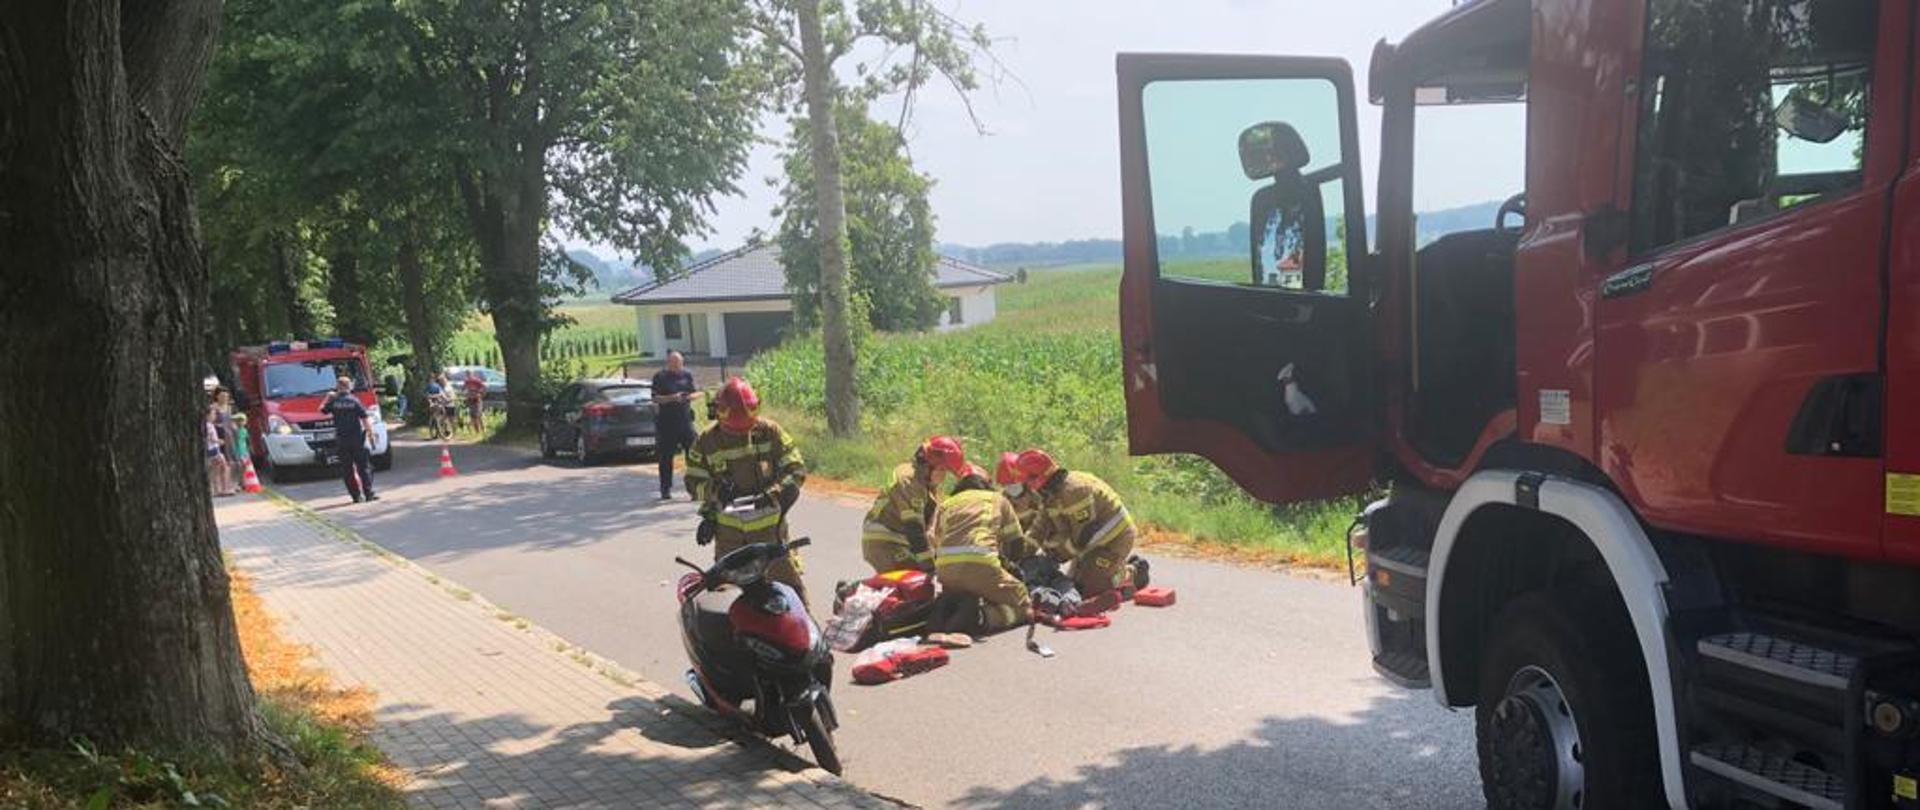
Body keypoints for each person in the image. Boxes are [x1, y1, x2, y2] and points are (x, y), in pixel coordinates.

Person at [685, 377, 809, 604]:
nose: (741, 436)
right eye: (733, 432)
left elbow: (796, 470)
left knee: (791, 598)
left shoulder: (770, 432)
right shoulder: (706, 442)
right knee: (727, 603)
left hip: (770, 537)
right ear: (719, 414)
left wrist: (773, 493)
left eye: (746, 429)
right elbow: (693, 482)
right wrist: (715, 495)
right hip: (729, 540)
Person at [1009, 449, 1149, 598]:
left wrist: (1052, 557)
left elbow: (1082, 537)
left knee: (1090, 589)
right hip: (1091, 544)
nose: (1027, 489)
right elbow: (1038, 530)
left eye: (1027, 482)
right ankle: (1109, 567)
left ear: (1036, 478)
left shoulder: (1075, 491)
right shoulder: (1049, 494)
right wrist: (1017, 557)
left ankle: (1132, 572)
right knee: (1072, 583)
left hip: (1115, 539)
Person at [924, 468, 1031, 644]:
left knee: (966, 591)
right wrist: (1009, 569)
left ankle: (943, 611)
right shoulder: (997, 499)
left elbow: (933, 539)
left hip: (946, 570)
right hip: (981, 564)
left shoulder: (947, 504)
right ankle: (978, 618)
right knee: (1023, 606)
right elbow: (1016, 543)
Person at [860, 436, 968, 573]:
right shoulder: (910, 479)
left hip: (899, 539)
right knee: (917, 579)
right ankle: (854, 591)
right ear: (929, 464)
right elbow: (914, 528)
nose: (944, 476)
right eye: (942, 470)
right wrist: (929, 564)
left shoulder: (925, 485)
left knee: (915, 582)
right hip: (886, 539)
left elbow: (931, 528)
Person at [650, 351, 703, 500]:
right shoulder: (660, 377)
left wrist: (689, 397)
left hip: (685, 422)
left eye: (680, 363)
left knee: (693, 456)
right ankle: (665, 489)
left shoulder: (687, 375)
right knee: (666, 458)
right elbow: (655, 398)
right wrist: (672, 398)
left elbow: (698, 393)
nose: (678, 366)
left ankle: (694, 489)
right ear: (669, 363)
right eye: (674, 364)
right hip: (666, 424)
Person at [322, 376, 379, 503]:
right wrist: (370, 433)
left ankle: (356, 496)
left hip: (342, 440)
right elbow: (364, 418)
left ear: (338, 386)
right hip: (357, 439)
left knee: (347, 470)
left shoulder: (334, 402)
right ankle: (368, 493)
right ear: (349, 387)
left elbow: (322, 410)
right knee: (363, 467)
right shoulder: (354, 401)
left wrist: (328, 397)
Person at [205, 407, 234, 497]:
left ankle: (218, 489)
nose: (214, 416)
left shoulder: (209, 425)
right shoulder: (208, 425)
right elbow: (209, 437)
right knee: (223, 467)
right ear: (207, 415)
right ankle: (223, 489)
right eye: (213, 414)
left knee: (217, 469)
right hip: (214, 449)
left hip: (213, 449)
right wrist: (218, 441)